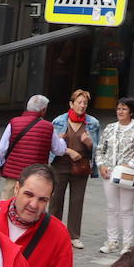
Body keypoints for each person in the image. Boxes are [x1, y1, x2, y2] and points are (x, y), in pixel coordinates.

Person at [95, 97, 134, 255]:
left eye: (124, 109)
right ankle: (112, 241)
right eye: (119, 108)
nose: (120, 111)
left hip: (128, 173)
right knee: (112, 208)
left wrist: (131, 164)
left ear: (131, 112)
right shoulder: (110, 128)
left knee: (126, 209)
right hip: (109, 173)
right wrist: (101, 165)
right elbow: (100, 149)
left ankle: (127, 244)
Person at [48, 89, 99, 249]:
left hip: (81, 166)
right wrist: (66, 148)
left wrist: (89, 143)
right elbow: (51, 146)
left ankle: (74, 236)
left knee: (77, 200)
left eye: (85, 103)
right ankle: (52, 233)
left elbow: (97, 149)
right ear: (71, 104)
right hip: (60, 164)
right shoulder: (58, 121)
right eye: (79, 102)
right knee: (56, 200)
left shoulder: (92, 123)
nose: (82, 106)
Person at [0, 95, 66, 200]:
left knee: (7, 203)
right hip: (35, 177)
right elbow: (59, 150)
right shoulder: (48, 127)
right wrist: (61, 140)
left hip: (13, 175)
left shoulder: (14, 122)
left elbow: (2, 148)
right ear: (43, 110)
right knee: (31, 205)